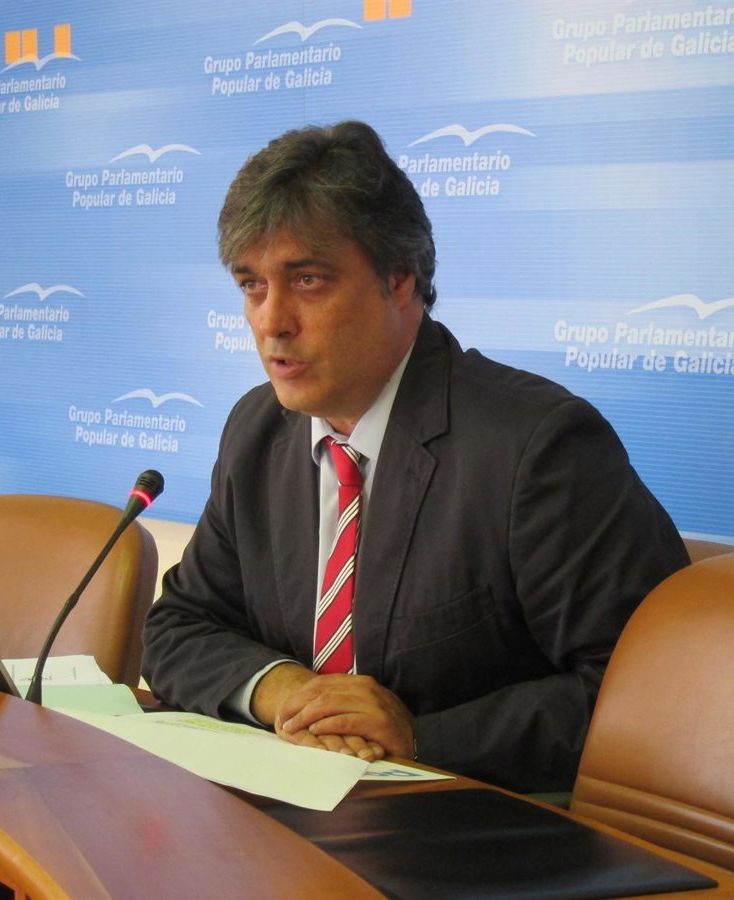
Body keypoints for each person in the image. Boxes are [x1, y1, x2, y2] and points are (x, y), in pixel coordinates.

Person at [141, 120, 689, 793]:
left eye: (307, 281)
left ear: (399, 278)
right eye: (252, 286)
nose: (271, 321)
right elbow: (178, 625)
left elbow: (649, 690)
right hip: (296, 804)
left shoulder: (535, 447)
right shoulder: (257, 431)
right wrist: (288, 692)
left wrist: (420, 737)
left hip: (470, 819)